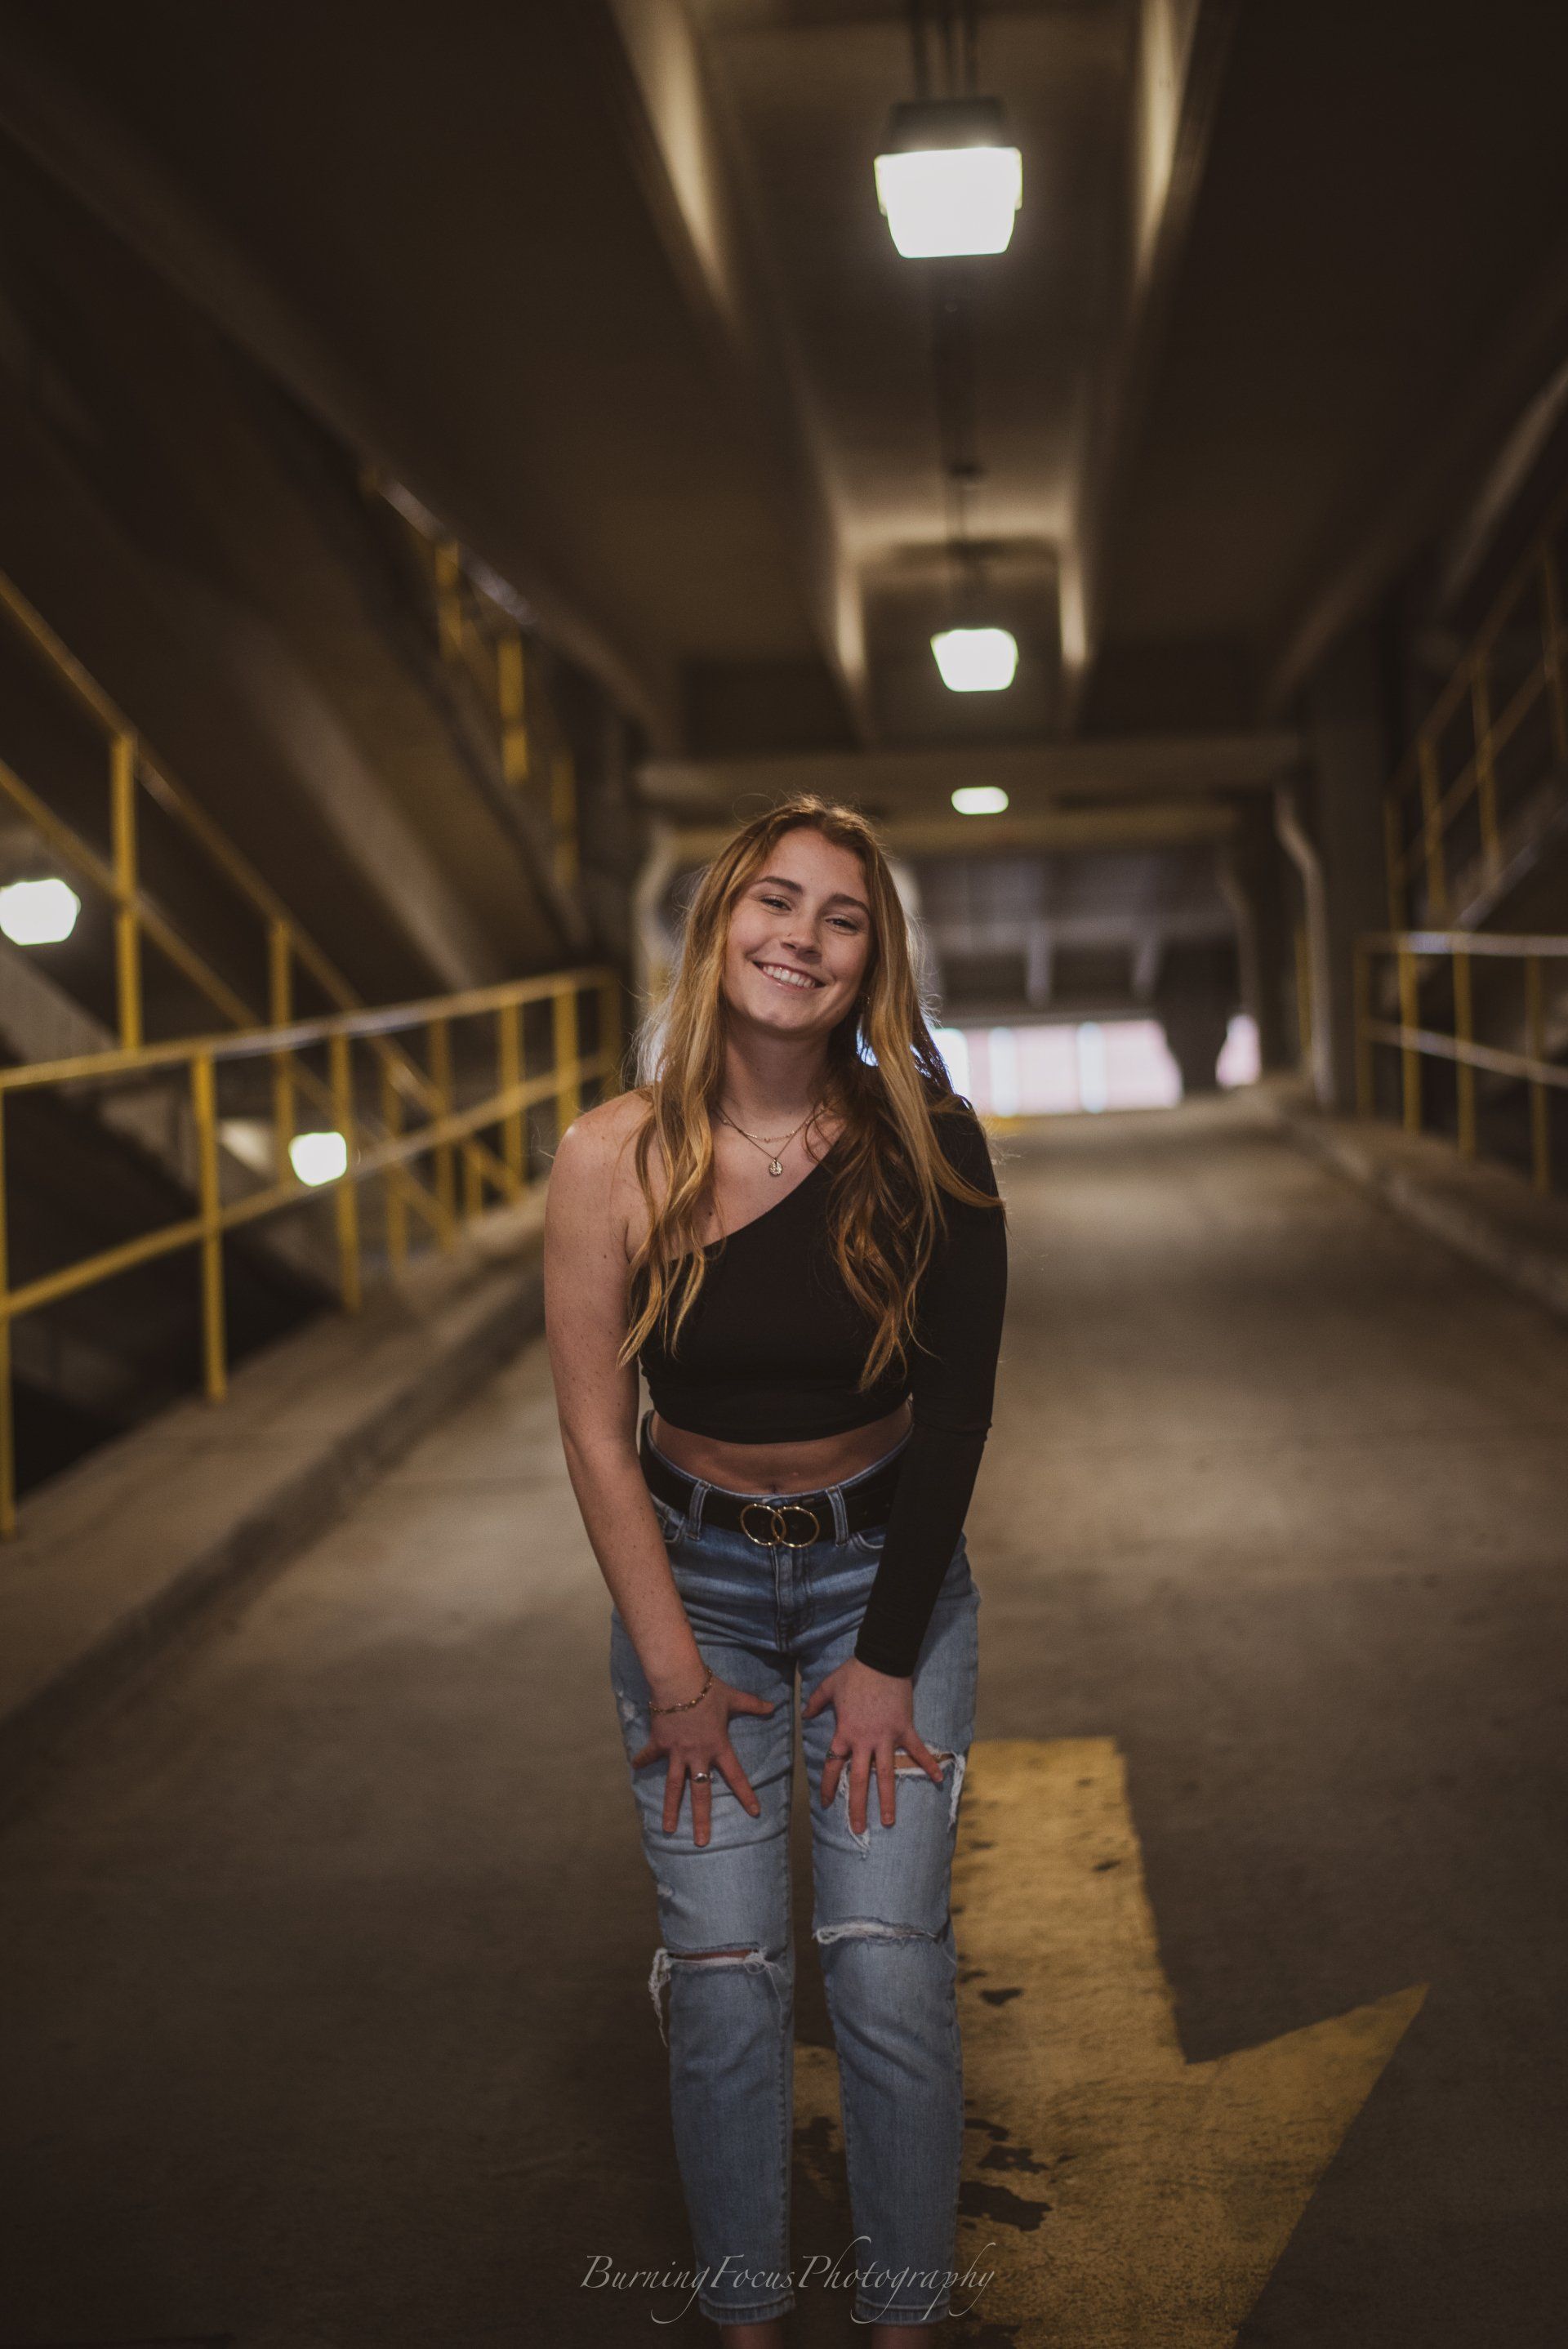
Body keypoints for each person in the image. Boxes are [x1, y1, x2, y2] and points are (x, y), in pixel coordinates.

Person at [544, 796, 1008, 2343]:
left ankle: (906, 2318)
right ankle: (743, 2322)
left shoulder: (928, 1145)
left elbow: (953, 1416)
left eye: (842, 917)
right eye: (774, 901)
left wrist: (885, 1660)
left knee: (882, 1967)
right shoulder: (610, 1156)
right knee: (729, 1973)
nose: (799, 938)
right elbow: (602, 1440)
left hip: (892, 1575)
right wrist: (676, 1681)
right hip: (699, 1585)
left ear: (872, 961)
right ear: (718, 922)